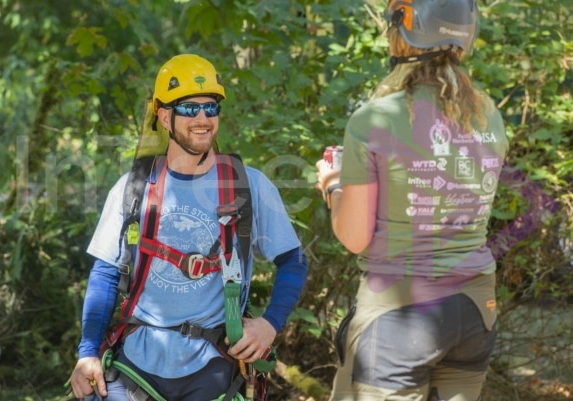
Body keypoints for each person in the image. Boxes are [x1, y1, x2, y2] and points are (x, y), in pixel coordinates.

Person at [70, 54, 308, 401]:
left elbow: (294, 260)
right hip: (136, 362)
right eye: (189, 108)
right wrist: (88, 353)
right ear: (164, 116)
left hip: (213, 367)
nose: (202, 118)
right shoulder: (134, 188)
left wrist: (269, 324)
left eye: (211, 108)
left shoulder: (247, 186)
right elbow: (105, 272)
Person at [315, 0, 508, 400]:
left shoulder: (374, 119)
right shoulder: (488, 114)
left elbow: (354, 237)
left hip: (399, 317)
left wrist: (333, 186)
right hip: (475, 308)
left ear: (404, 30)